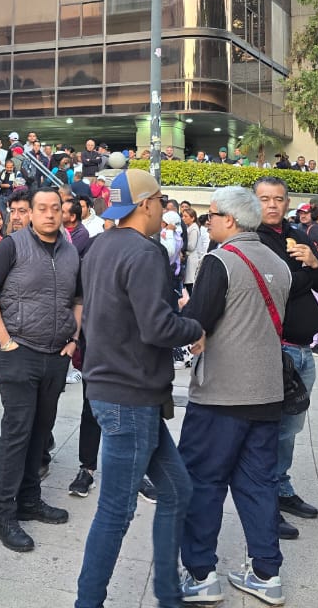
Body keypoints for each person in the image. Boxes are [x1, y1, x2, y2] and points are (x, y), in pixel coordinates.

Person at [75, 170, 203, 608]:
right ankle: (88, 602)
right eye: (161, 201)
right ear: (146, 204)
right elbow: (158, 326)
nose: (164, 208)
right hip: (128, 393)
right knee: (115, 510)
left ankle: (168, 592)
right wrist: (195, 326)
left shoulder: (100, 245)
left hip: (116, 389)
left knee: (176, 491)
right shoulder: (145, 252)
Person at [180, 186, 292, 607]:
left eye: (211, 216)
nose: (207, 222)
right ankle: (267, 572)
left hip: (221, 395)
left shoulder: (220, 259)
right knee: (259, 484)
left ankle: (200, 573)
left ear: (230, 219)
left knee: (204, 481)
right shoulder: (276, 261)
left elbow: (197, 321)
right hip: (267, 393)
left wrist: (185, 314)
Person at [0, 188, 81, 553]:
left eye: (56, 208)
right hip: (18, 350)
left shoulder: (70, 251)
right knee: (18, 432)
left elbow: (78, 299)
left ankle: (30, 499)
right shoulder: (12, 246)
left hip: (56, 354)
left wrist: (74, 338)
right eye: (43, 209)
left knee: (41, 429)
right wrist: (4, 340)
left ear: (64, 213)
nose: (50, 214)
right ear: (31, 213)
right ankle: (2, 514)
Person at [251, 177, 318, 538]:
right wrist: (306, 272)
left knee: (289, 431)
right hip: (270, 349)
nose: (272, 205)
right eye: (264, 199)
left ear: (288, 201)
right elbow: (278, 287)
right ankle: (264, 502)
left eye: (278, 199)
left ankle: (281, 489)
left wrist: (314, 261)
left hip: (302, 350)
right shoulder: (251, 239)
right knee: (268, 431)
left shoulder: (298, 234)